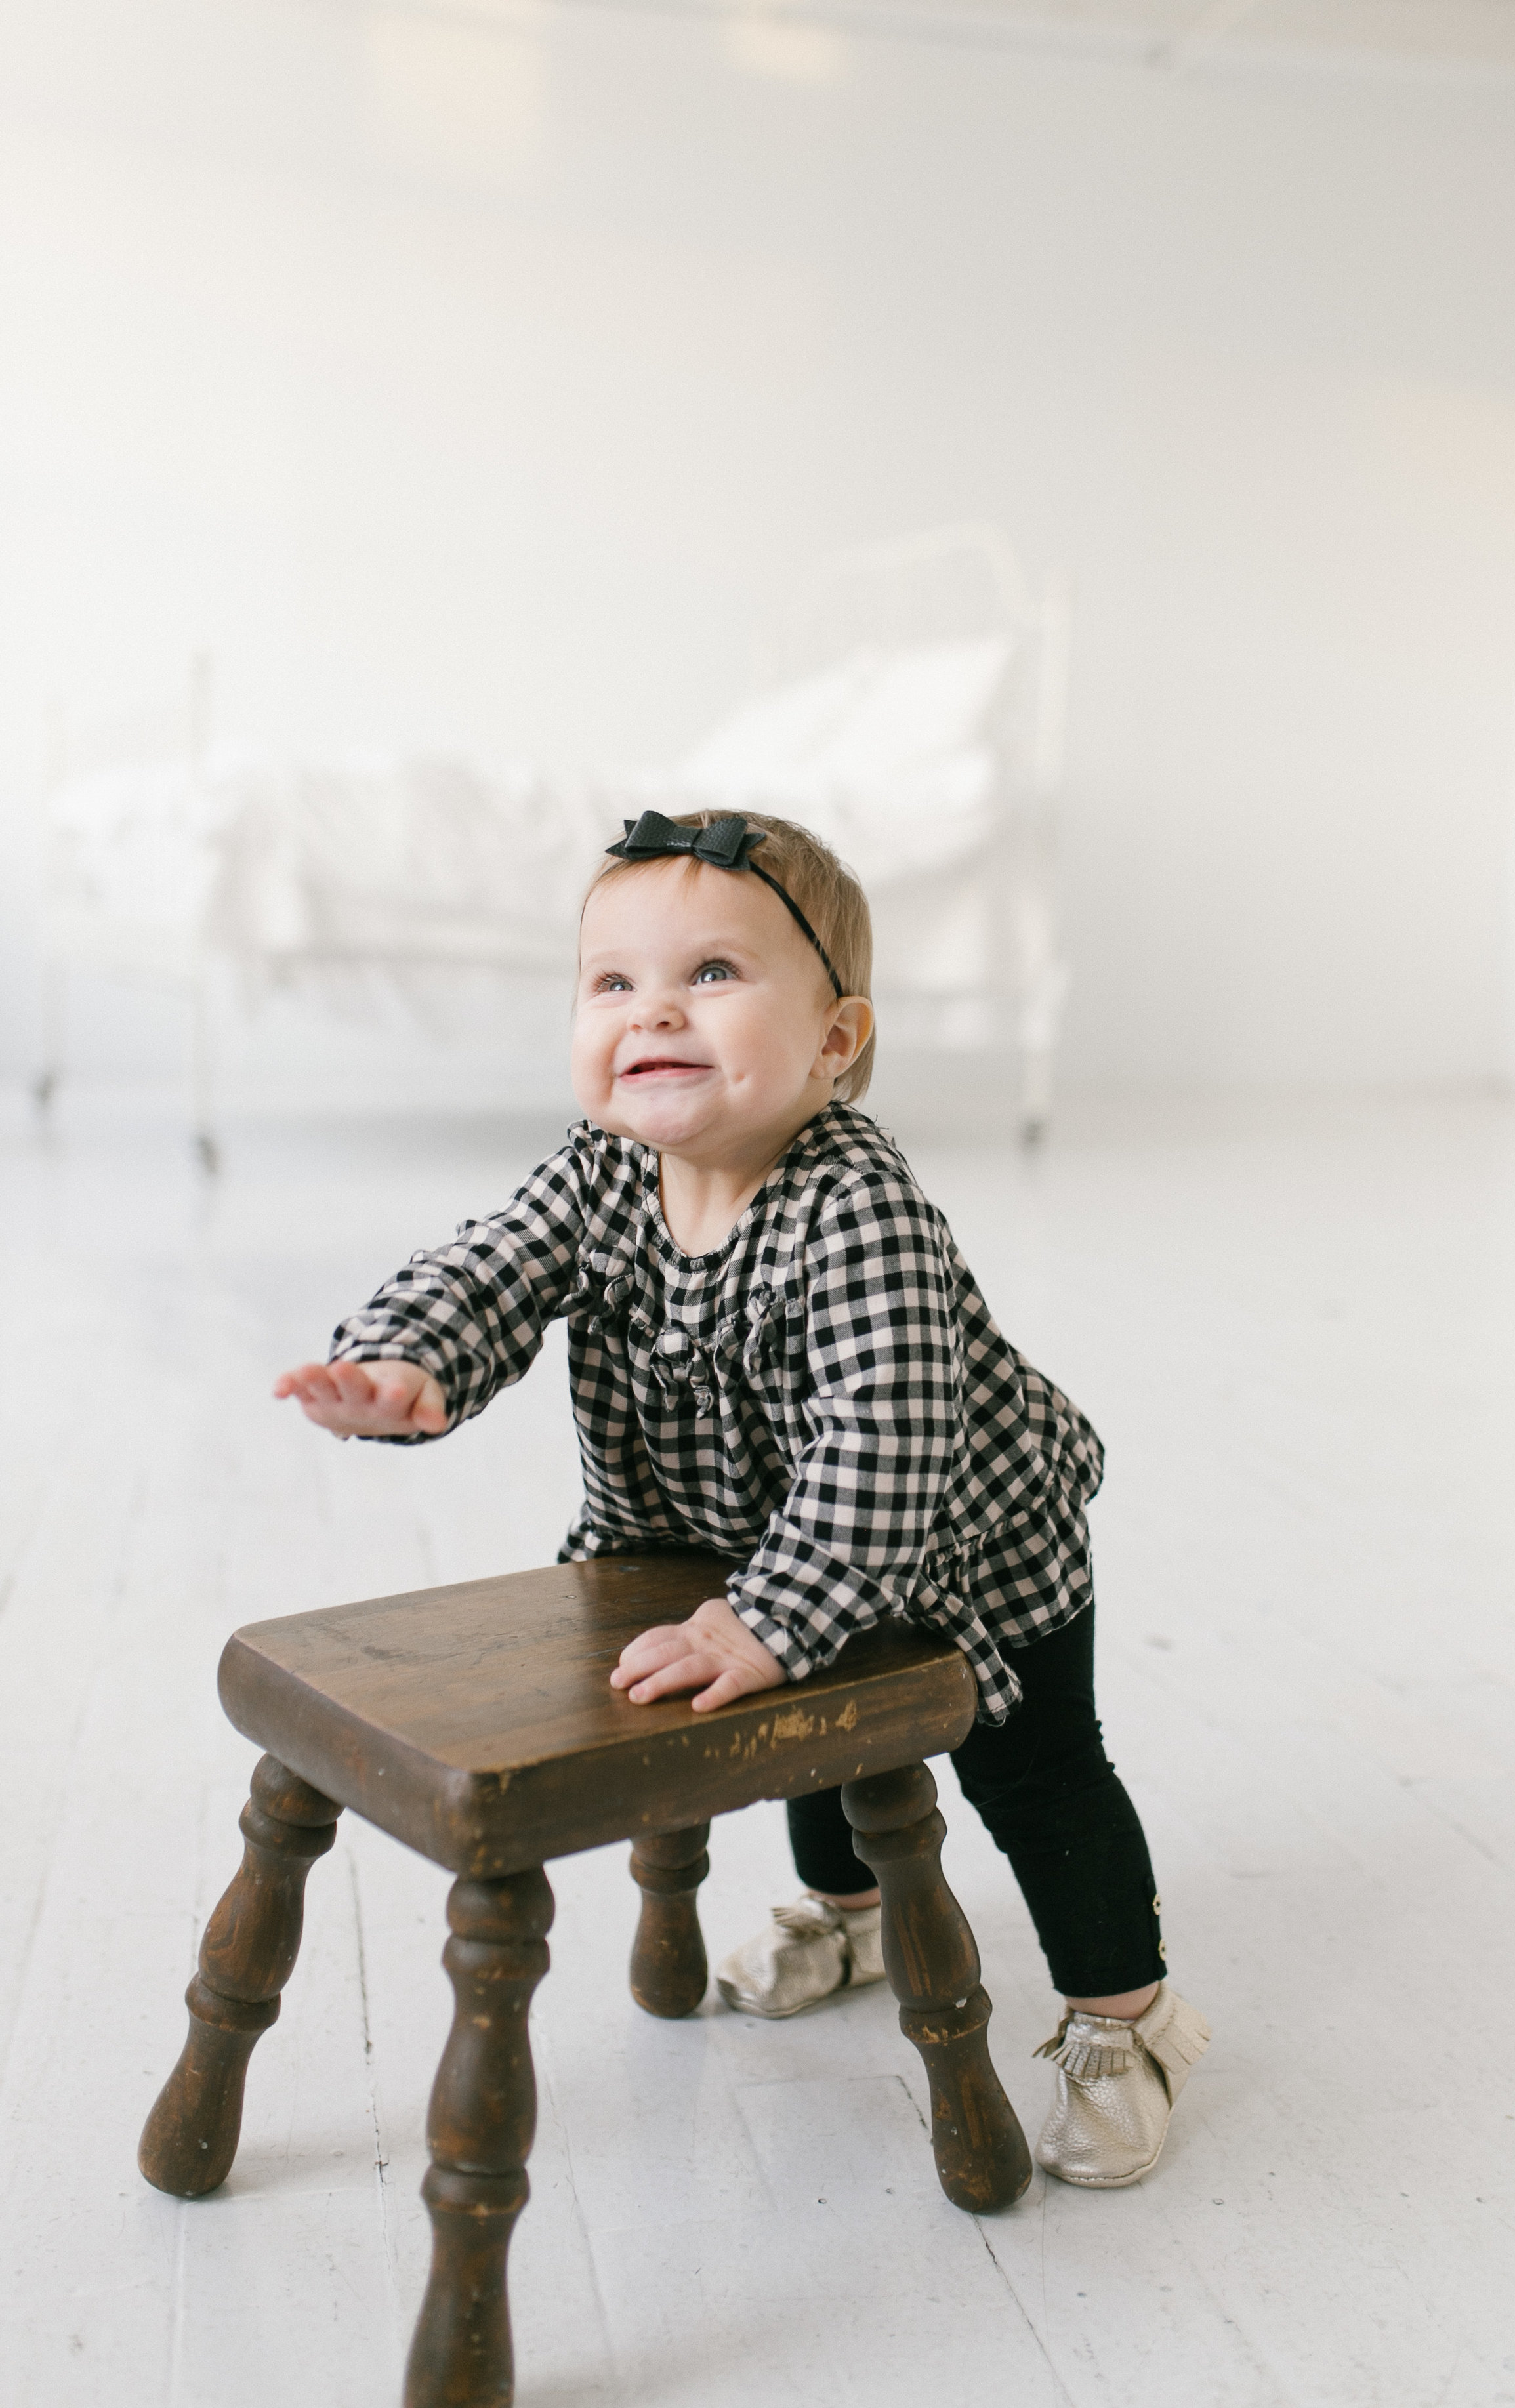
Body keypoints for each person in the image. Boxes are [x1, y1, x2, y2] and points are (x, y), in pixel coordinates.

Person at [275, 807, 1209, 2188]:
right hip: (745, 1549)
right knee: (807, 1744)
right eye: (613, 982)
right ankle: (843, 1911)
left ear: (834, 1041)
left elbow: (884, 1456)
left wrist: (760, 1617)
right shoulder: (601, 1173)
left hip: (969, 1549)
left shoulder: (856, 1211)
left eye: (711, 974)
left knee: (1036, 1782)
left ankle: (1126, 2020)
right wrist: (408, 1362)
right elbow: (487, 1267)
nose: (653, 1009)